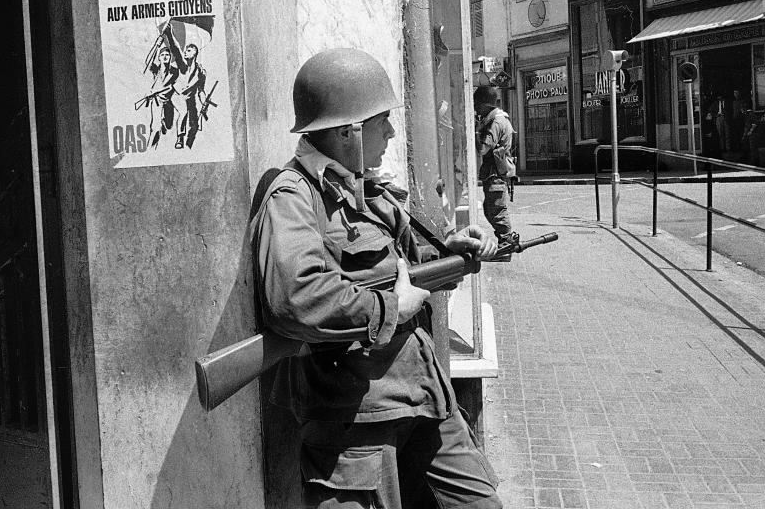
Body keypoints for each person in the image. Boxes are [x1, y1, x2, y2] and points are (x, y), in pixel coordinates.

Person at [253, 47, 502, 509]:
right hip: (356, 422)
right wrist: (391, 307)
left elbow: (402, 262)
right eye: (382, 120)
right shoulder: (293, 196)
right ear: (349, 131)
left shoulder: (364, 185)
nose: (390, 131)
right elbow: (294, 297)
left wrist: (450, 251)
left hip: (424, 394)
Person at [473, 85, 517, 247]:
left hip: (495, 174)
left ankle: (507, 241)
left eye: (478, 106)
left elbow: (484, 149)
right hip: (494, 173)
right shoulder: (497, 119)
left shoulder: (496, 122)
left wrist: (476, 132)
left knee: (496, 210)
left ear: (486, 105)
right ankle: (505, 240)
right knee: (490, 208)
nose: (477, 110)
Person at [167, 40, 207, 149]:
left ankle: (189, 143)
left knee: (194, 124)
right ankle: (180, 138)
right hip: (176, 95)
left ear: (195, 53)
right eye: (185, 50)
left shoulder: (201, 73)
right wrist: (169, 34)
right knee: (183, 112)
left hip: (189, 99)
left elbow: (201, 91)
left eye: (188, 51)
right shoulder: (182, 66)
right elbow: (175, 50)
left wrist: (204, 103)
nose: (185, 52)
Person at [142, 47, 178, 149]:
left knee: (169, 125)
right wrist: (156, 45)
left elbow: (171, 87)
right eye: (162, 55)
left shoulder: (175, 71)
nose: (165, 57)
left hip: (167, 101)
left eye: (167, 54)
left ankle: (163, 124)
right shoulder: (156, 69)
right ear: (159, 58)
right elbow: (148, 61)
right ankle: (150, 149)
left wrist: (155, 91)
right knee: (155, 127)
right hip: (157, 101)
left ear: (170, 57)